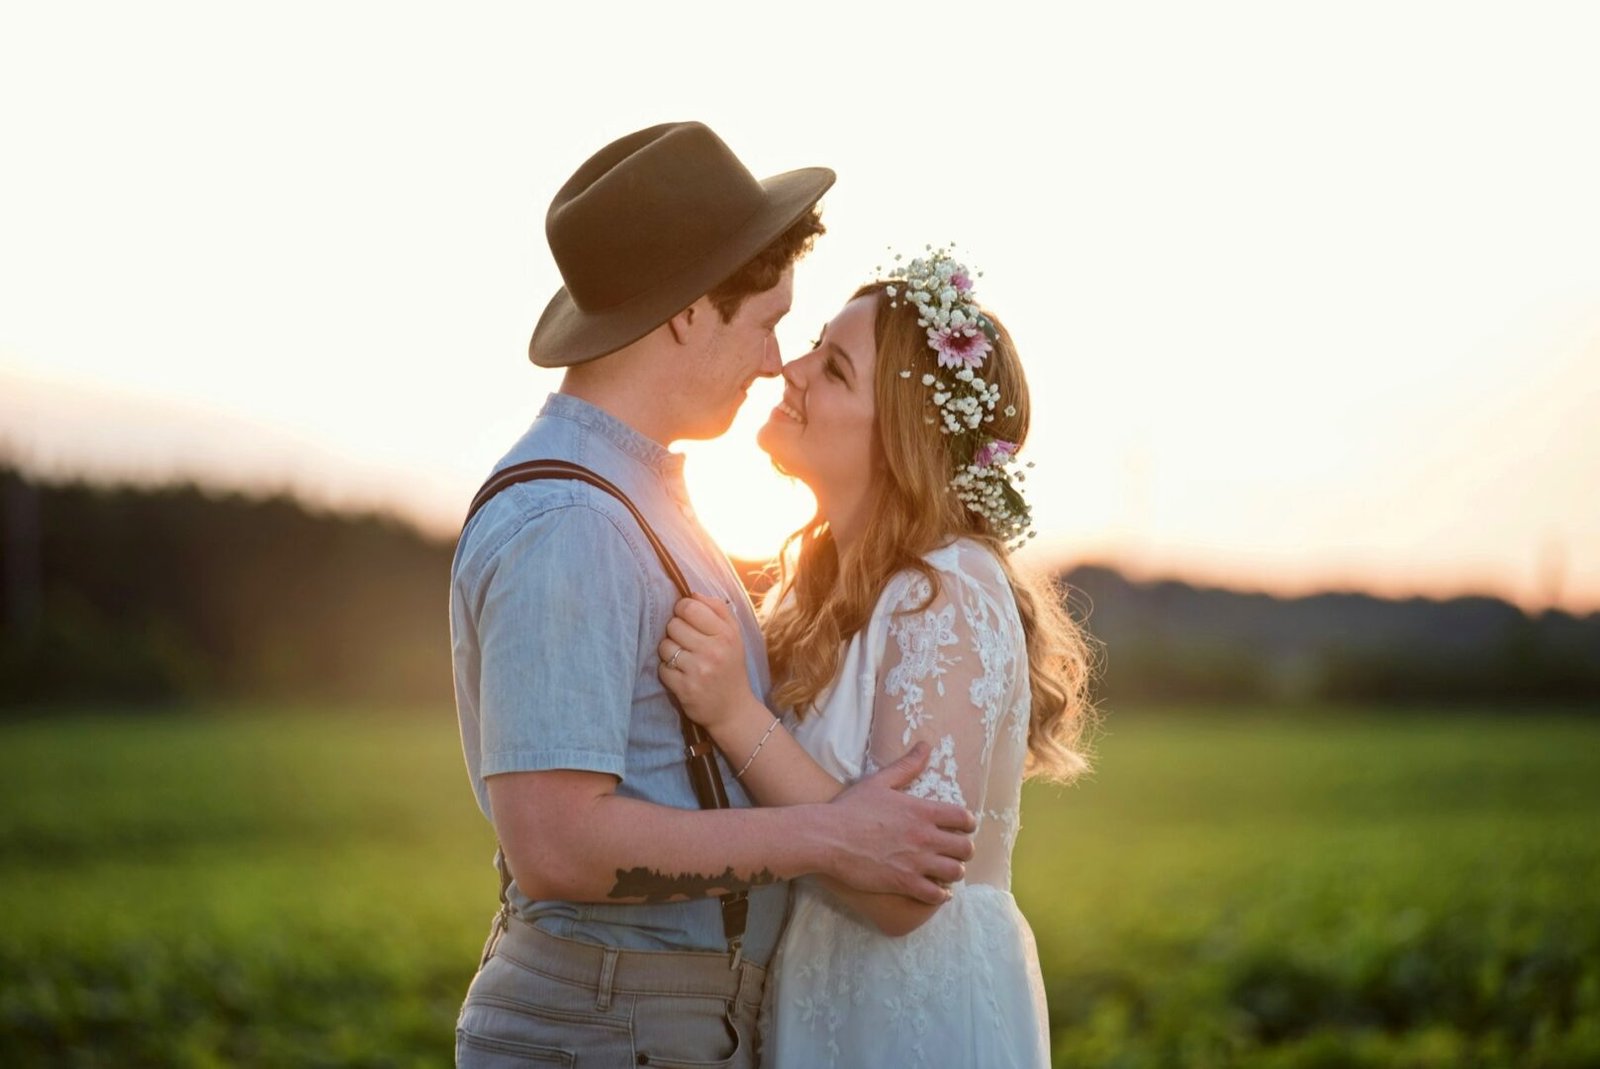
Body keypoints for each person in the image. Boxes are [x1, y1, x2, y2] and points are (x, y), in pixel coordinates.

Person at [450, 123, 979, 1069]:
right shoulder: (572, 521)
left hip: (649, 1024)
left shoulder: (640, 493)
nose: (778, 360)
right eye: (767, 320)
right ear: (692, 312)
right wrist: (830, 836)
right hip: (608, 1026)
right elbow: (559, 844)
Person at [657, 248, 1097, 1068]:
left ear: (900, 437)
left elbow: (904, 894)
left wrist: (732, 713)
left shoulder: (949, 590)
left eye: (833, 368)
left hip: (912, 1017)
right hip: (818, 997)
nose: (788, 369)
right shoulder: (819, 588)